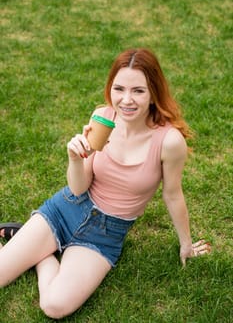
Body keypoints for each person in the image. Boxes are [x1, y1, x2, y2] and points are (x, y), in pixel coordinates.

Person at [0, 48, 211, 319]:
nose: (126, 100)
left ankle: (41, 256)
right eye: (119, 88)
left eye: (138, 91)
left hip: (104, 233)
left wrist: (186, 244)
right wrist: (75, 159)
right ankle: (38, 244)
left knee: (54, 306)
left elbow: (172, 195)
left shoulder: (169, 142)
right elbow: (78, 188)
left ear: (153, 93)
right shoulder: (103, 117)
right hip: (67, 208)